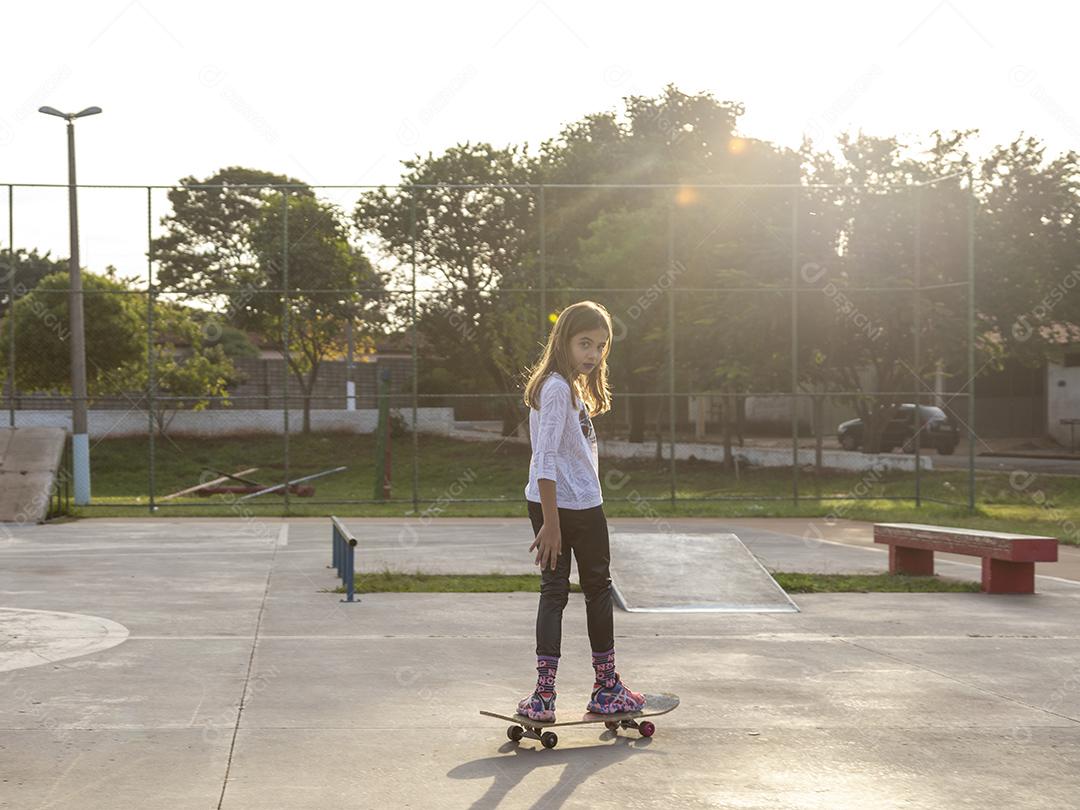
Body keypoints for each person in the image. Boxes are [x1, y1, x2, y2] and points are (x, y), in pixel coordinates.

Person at [516, 300, 646, 722]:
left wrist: (550, 516)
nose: (593, 354)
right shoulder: (556, 388)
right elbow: (545, 458)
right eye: (585, 343)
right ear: (565, 341)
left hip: (559, 501)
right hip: (571, 506)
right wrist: (552, 524)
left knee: (559, 591)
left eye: (601, 346)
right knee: (590, 590)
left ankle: (546, 696)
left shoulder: (565, 385)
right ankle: (603, 688)